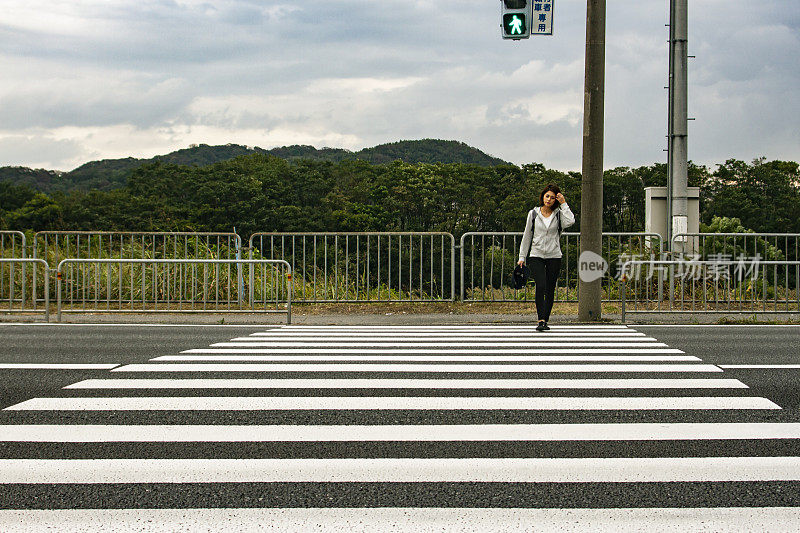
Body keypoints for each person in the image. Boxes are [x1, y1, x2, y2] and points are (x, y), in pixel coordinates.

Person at [517, 184, 576, 331]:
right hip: (536, 254)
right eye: (546, 196)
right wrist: (522, 256)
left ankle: (545, 320)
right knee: (541, 285)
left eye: (552, 197)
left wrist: (564, 203)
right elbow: (527, 235)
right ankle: (540, 318)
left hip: (554, 255)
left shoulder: (558, 214)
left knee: (550, 288)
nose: (548, 199)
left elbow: (570, 221)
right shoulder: (534, 213)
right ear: (542, 197)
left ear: (556, 199)